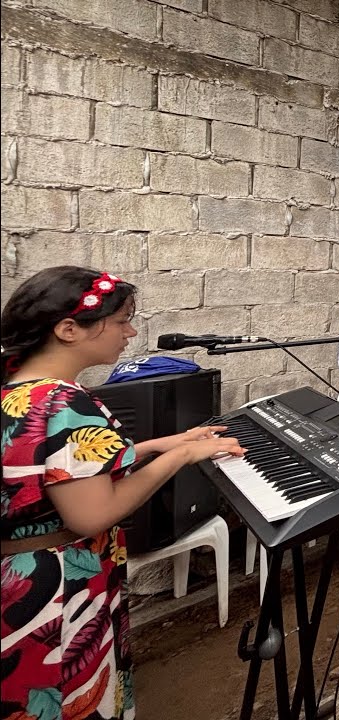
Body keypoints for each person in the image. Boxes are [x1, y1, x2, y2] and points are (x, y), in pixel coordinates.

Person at [1, 267, 244, 720]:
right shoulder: (67, 403)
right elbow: (92, 514)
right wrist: (181, 458)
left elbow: (63, 466)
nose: (131, 332)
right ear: (68, 329)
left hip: (16, 580)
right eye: (121, 321)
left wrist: (162, 443)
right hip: (56, 593)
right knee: (63, 699)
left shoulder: (21, 393)